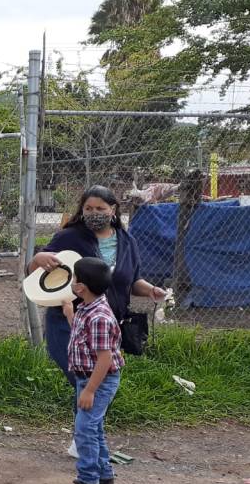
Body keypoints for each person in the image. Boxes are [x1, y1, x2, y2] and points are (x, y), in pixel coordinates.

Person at [29, 185, 165, 457]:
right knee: (87, 381)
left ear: (113, 210)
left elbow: (131, 281)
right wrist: (38, 258)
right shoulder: (69, 237)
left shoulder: (127, 242)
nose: (94, 213)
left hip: (104, 326)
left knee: (97, 384)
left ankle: (85, 441)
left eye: (100, 209)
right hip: (69, 323)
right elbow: (36, 271)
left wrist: (151, 290)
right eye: (88, 208)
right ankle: (86, 442)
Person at [62, 257, 124, 484]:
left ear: (81, 287)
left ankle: (88, 482)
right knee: (93, 427)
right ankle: (104, 475)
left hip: (98, 380)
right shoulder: (87, 308)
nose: (72, 282)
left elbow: (104, 359)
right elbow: (82, 337)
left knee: (84, 429)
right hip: (86, 378)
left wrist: (90, 390)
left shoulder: (99, 317)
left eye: (74, 278)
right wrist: (70, 315)